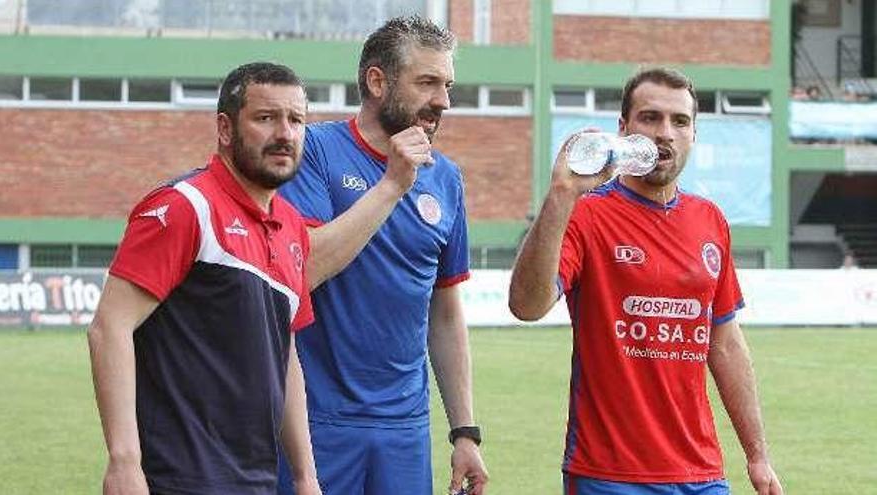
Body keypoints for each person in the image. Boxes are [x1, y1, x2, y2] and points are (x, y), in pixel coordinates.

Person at [88, 61, 426, 495]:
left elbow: (284, 357)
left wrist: (305, 476)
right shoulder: (185, 207)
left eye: (296, 120)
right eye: (266, 118)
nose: (284, 134)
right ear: (226, 129)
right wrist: (124, 461)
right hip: (175, 477)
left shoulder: (290, 229)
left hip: (257, 479)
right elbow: (108, 328)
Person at [508, 67, 783, 495]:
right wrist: (561, 195)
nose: (665, 133)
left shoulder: (709, 220)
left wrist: (758, 455)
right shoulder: (587, 213)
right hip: (609, 474)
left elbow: (725, 343)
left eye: (680, 121)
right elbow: (526, 306)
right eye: (650, 118)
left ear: (694, 133)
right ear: (624, 129)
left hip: (702, 473)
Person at [276, 15, 489, 495]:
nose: (443, 100)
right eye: (428, 82)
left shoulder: (446, 178)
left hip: (405, 430)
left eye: (447, 84)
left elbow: (446, 310)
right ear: (377, 81)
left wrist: (464, 431)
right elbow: (302, 270)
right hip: (316, 421)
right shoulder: (316, 152)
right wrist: (392, 185)